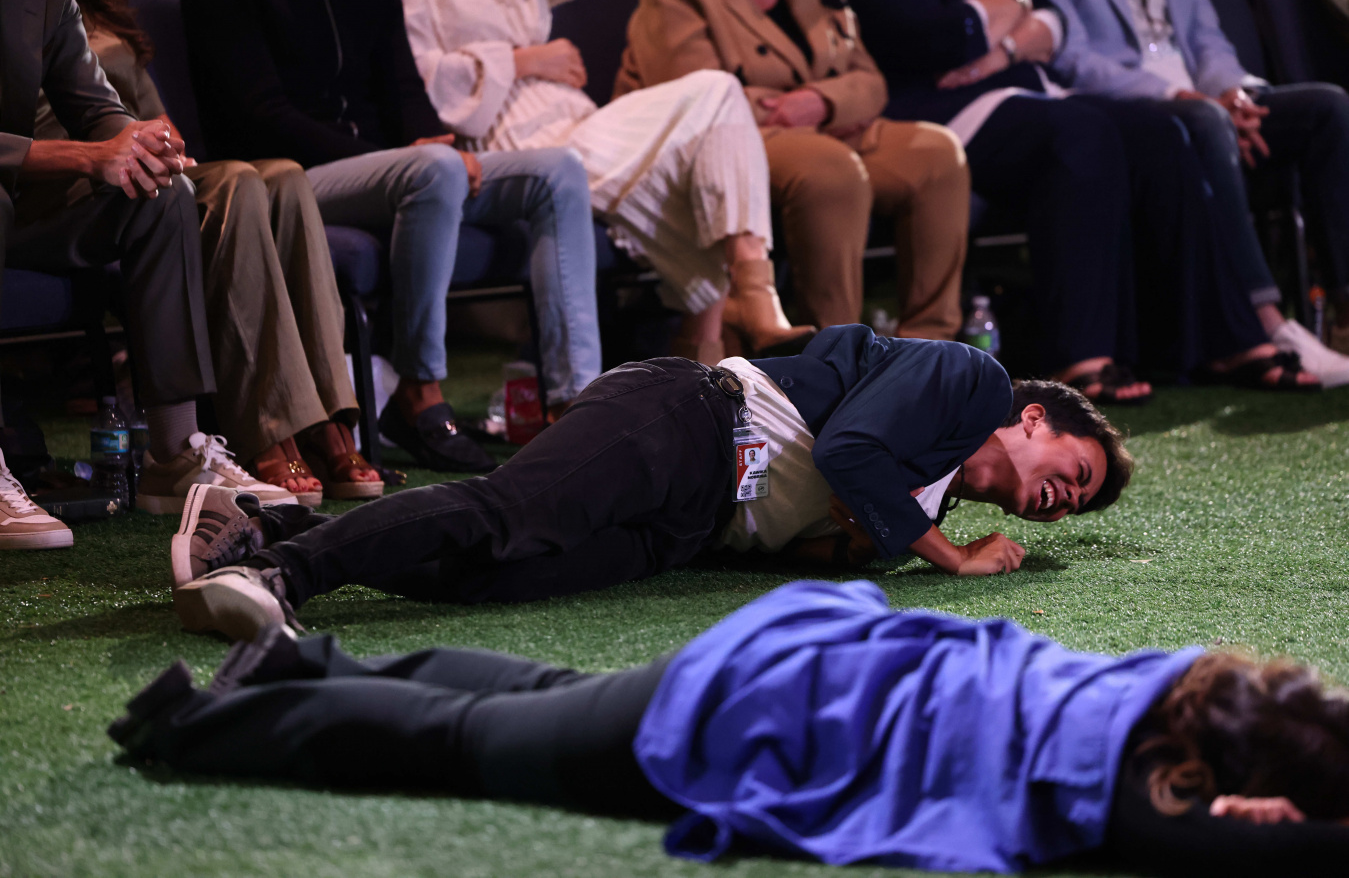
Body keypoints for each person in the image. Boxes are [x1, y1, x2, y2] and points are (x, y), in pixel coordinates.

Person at [112, 580, 1349, 874]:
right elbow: (1220, 848)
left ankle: (299, 662)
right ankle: (189, 726)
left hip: (815, 651)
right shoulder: (1145, 793)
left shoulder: (1182, 680)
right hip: (780, 711)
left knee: (544, 694)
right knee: (468, 743)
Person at [163, 324, 1132, 641]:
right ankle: (280, 577)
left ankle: (267, 524)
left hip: (692, 523)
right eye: (1076, 473)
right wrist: (945, 559)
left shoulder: (932, 490)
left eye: (1075, 506)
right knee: (507, 513)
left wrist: (867, 538)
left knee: (497, 574)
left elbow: (815, 530)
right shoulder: (972, 380)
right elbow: (846, 453)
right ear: (1035, 420)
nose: (1063, 499)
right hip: (687, 419)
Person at [179, 0, 603, 472]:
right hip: (281, 178)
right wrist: (403, 158)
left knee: (558, 172)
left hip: (388, 169)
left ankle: (573, 405)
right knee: (435, 170)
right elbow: (259, 116)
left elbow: (403, 84)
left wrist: (429, 140)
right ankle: (418, 389)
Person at [846, 0, 1323, 396]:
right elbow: (937, 39)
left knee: (1159, 133)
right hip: (943, 113)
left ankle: (1220, 339)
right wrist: (1012, 11)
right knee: (1079, 135)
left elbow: (1052, 18)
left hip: (1030, 91)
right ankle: (1081, 354)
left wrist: (1005, 25)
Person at [34, 0, 382, 505]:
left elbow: (141, 114)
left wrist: (162, 143)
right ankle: (269, 432)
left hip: (133, 157)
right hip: (71, 179)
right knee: (234, 183)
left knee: (286, 178)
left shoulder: (85, 0)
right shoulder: (31, 4)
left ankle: (328, 420)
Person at [0, 0, 295, 548]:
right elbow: (87, 147)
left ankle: (176, 453)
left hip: (22, 205)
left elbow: (94, 106)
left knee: (161, 192)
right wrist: (90, 155)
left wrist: (138, 144)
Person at [395, 0, 815, 365]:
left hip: (577, 122)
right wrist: (523, 61)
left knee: (704, 151)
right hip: (518, 144)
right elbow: (414, 80)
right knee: (716, 92)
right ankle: (749, 299)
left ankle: (709, 359)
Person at [614, 0, 969, 340]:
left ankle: (930, 350)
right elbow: (692, 99)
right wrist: (796, 112)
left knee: (937, 154)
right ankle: (838, 352)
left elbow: (870, 81)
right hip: (729, 140)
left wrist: (823, 102)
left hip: (827, 127)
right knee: (829, 169)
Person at [1036, 0, 1349, 380]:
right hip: (1130, 103)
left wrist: (1232, 93)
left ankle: (1345, 316)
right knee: (1207, 122)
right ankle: (1265, 321)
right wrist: (1181, 96)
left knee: (1328, 109)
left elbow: (1209, 41)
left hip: (1206, 99)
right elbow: (1072, 59)